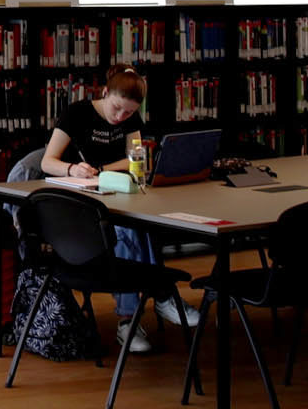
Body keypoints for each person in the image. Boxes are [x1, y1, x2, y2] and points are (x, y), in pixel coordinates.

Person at [41, 65, 194, 349]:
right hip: (78, 202)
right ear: (105, 93)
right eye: (117, 108)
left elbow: (135, 159)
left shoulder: (130, 118)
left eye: (128, 113)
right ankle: (136, 314)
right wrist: (73, 168)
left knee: (143, 227)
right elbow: (47, 162)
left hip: (114, 192)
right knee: (126, 231)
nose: (120, 117)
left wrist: (102, 169)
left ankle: (152, 305)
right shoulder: (77, 113)